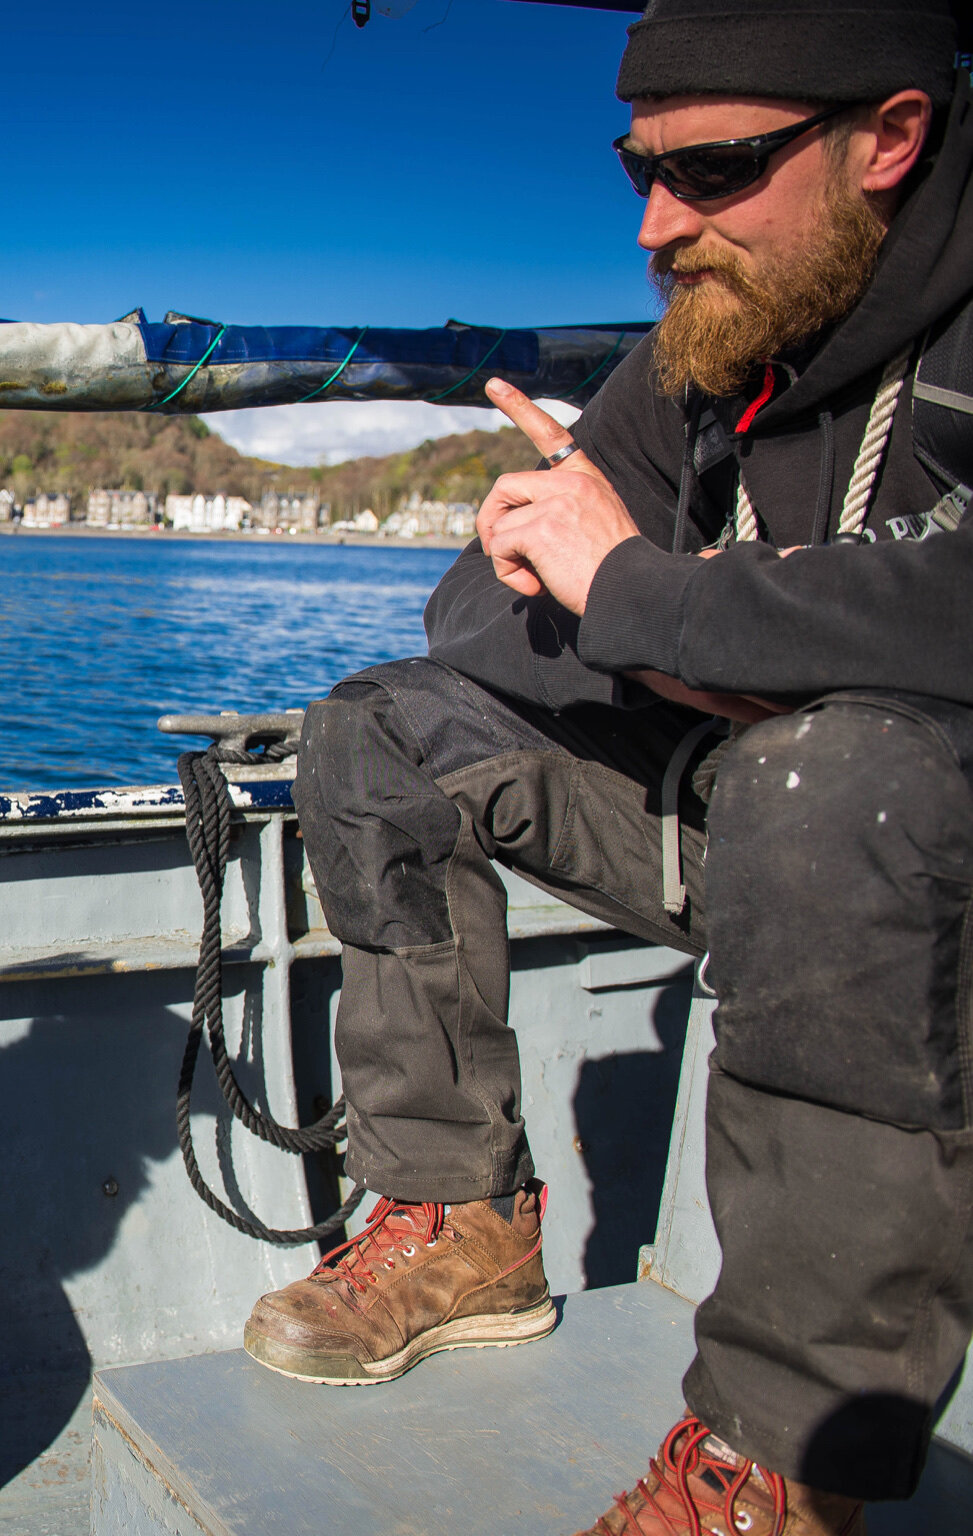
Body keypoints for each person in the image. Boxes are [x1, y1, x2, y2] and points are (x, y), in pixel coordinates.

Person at [241, 1, 973, 1530]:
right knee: (378, 725)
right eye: (636, 169)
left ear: (888, 139)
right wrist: (693, 633)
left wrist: (644, 597)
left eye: (708, 169)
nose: (657, 223)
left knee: (831, 781)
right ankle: (459, 1216)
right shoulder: (714, 330)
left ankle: (780, 1455)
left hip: (914, 864)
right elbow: (473, 610)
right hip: (752, 826)